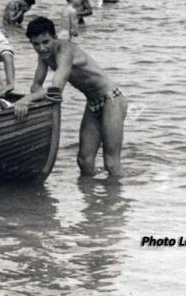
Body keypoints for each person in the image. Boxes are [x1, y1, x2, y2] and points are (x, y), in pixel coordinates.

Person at [14, 17, 127, 177]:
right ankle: (98, 198)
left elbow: (55, 90)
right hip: (93, 102)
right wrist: (32, 100)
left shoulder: (66, 51)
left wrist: (26, 100)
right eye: (36, 44)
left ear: (55, 37)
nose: (42, 48)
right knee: (84, 162)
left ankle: (130, 195)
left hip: (112, 99)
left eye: (46, 42)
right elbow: (36, 87)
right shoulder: (44, 55)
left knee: (111, 163)